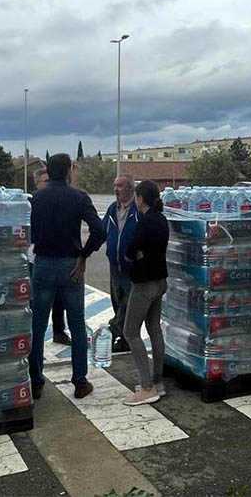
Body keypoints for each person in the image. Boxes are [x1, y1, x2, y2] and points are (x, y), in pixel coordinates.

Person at [29, 154, 105, 399]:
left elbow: (26, 232)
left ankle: (36, 381)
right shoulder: (79, 197)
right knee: (77, 323)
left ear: (49, 173)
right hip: (70, 265)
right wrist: (84, 255)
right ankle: (80, 381)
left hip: (42, 264)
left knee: (37, 326)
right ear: (69, 171)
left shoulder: (35, 199)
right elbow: (99, 230)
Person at [121, 180, 169, 406]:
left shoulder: (145, 222)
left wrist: (134, 255)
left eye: (137, 198)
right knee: (154, 329)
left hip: (144, 284)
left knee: (130, 331)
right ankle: (158, 381)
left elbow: (131, 250)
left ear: (141, 199)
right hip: (160, 281)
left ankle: (146, 386)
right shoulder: (162, 220)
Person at [32, 168, 70, 345]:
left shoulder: (57, 200)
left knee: (59, 298)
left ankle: (58, 330)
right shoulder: (32, 202)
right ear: (37, 184)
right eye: (45, 181)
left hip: (57, 256)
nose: (49, 184)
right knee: (37, 300)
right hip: (34, 257)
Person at [103, 174, 137, 353]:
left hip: (131, 267)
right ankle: (124, 340)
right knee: (117, 301)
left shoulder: (138, 210)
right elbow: (102, 231)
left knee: (128, 304)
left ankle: (112, 330)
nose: (116, 189)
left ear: (130, 188)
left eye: (120, 185)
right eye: (115, 185)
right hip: (114, 265)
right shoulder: (111, 209)